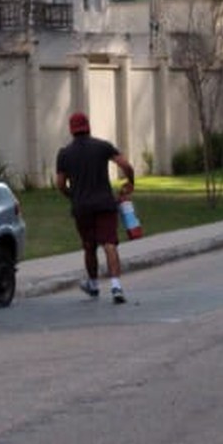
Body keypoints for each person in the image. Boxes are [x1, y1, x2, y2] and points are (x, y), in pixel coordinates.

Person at [55, 111, 135, 304]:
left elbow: (60, 183)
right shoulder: (102, 147)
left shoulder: (64, 154)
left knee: (89, 247)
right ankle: (116, 286)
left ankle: (93, 284)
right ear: (88, 127)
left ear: (71, 130)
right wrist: (130, 183)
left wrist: (71, 195)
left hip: (81, 207)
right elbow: (126, 165)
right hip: (105, 203)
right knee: (109, 244)